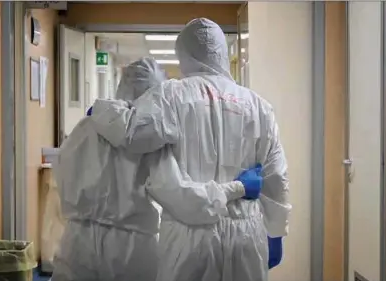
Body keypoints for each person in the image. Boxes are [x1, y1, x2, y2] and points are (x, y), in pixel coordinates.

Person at [88, 18, 291, 281]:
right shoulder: (259, 107)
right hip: (247, 236)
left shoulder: (170, 96)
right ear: (221, 52)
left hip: (189, 240)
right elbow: (276, 175)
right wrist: (276, 231)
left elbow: (130, 132)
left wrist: (101, 111)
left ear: (183, 54)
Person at [51, 57, 260, 281]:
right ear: (156, 96)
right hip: (129, 251)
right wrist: (238, 188)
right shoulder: (150, 141)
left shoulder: (83, 128)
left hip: (75, 242)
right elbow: (183, 199)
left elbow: (60, 174)